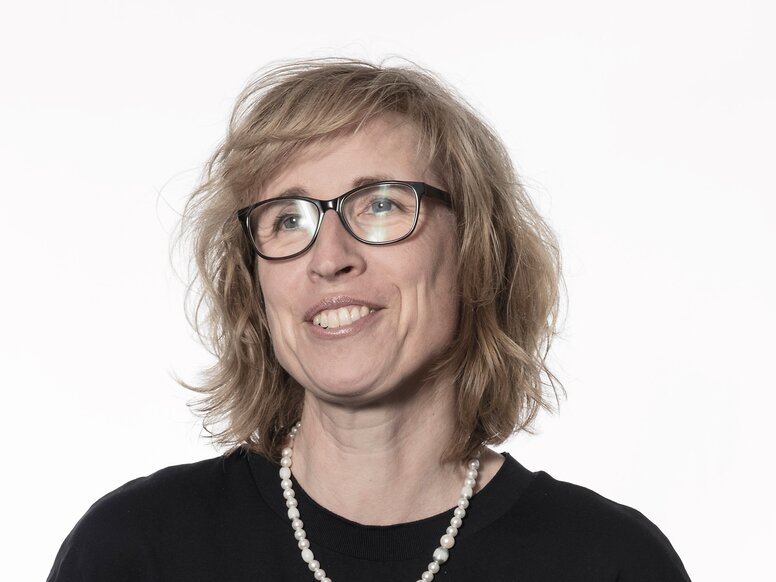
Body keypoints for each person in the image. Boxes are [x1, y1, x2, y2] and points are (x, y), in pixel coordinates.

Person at [48, 58, 691, 581]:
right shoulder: (134, 551)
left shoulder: (609, 562)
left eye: (381, 205)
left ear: (475, 250)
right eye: (287, 219)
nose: (329, 258)